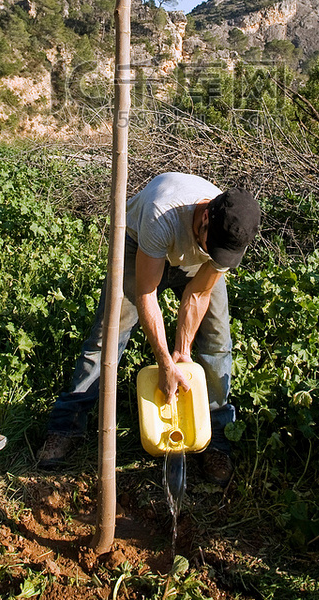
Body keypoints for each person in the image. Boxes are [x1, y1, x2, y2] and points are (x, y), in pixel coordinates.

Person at [37, 172, 261, 485]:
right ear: (206, 216)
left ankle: (215, 439)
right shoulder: (162, 214)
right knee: (108, 334)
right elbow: (147, 294)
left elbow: (197, 294)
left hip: (190, 258)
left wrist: (181, 353)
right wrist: (163, 362)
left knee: (217, 342)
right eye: (214, 246)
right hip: (139, 244)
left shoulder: (230, 236)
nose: (216, 256)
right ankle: (65, 426)